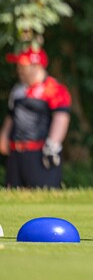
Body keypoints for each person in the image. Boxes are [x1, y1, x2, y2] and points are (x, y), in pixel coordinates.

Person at [1, 46, 71, 188]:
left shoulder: (54, 88)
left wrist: (53, 145)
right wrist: (3, 136)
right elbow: (11, 115)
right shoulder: (18, 90)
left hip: (39, 153)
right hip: (16, 153)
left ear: (36, 66)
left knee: (42, 197)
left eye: (23, 65)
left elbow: (61, 117)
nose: (19, 69)